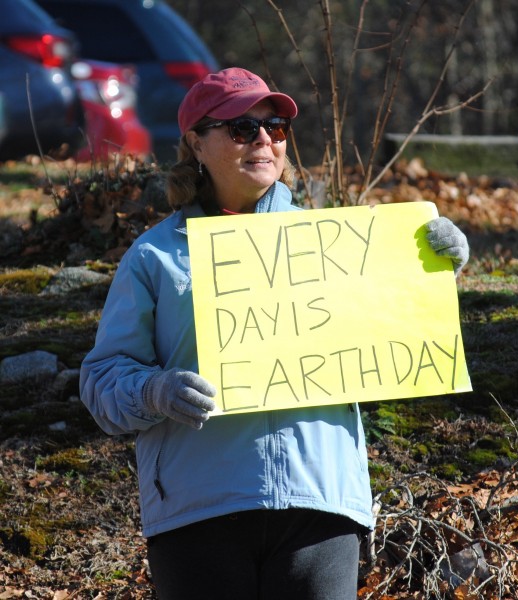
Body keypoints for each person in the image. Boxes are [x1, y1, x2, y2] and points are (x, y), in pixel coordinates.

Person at [79, 67, 469, 600]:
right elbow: (101, 381)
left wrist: (432, 266)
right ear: (196, 142)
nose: (264, 139)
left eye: (276, 127)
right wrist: (155, 392)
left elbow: (395, 325)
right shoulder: (153, 257)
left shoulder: (336, 244)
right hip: (199, 513)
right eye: (241, 128)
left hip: (321, 508)